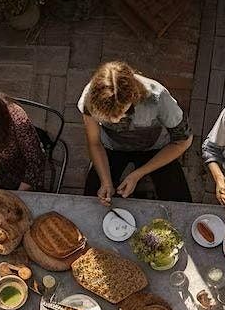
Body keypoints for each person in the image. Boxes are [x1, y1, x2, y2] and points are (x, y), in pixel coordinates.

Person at [78, 61, 193, 204]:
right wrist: (106, 181)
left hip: (154, 148)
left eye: (120, 113)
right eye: (106, 117)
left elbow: (183, 141)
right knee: (91, 201)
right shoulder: (89, 101)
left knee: (180, 203)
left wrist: (138, 174)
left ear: (133, 96)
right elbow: (95, 143)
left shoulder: (158, 98)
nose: (114, 121)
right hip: (112, 147)